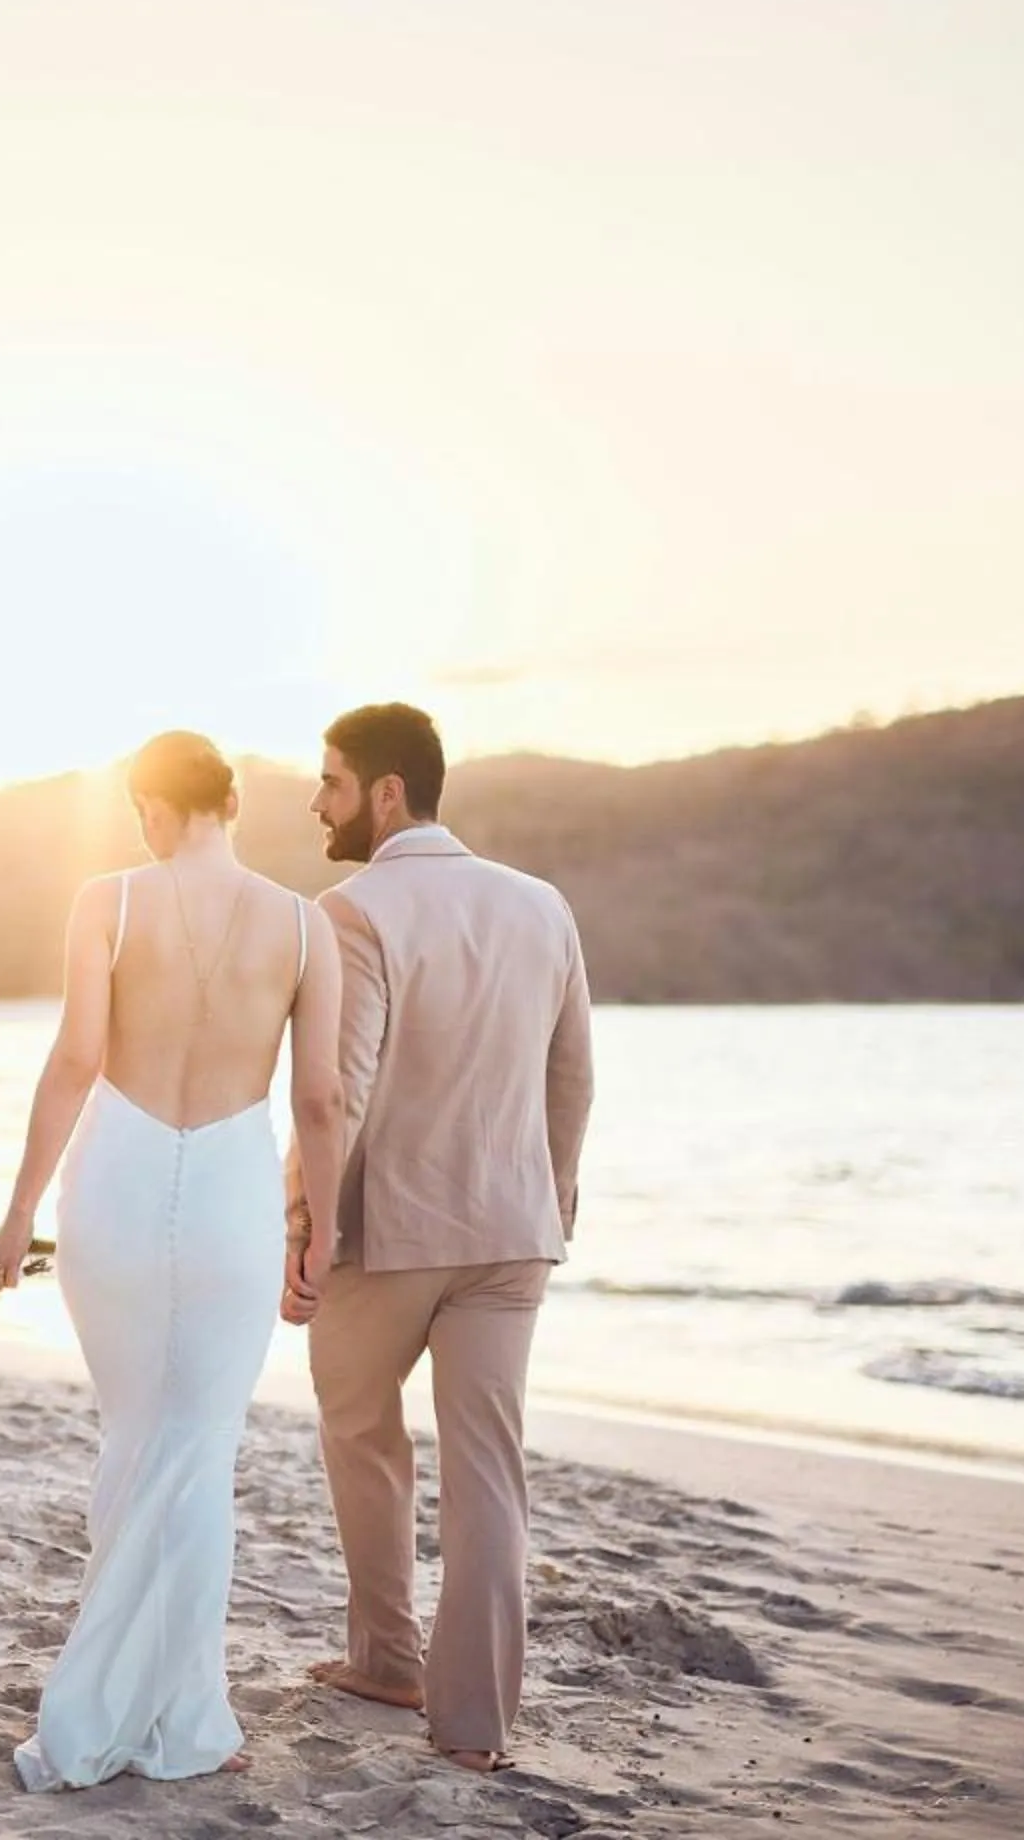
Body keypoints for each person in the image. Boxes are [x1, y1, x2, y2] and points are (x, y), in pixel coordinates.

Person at [0, 729, 346, 1791]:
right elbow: (320, 1098)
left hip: (119, 1182)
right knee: (197, 1450)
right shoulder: (303, 922)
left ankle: (117, 1702)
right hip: (232, 1186)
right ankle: (181, 1714)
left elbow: (75, 1060)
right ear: (232, 800)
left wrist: (16, 1214)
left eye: (142, 808)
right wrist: (322, 1229)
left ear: (153, 804)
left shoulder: (108, 900)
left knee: (140, 1435)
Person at [286, 702, 595, 1775]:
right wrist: (550, 1198)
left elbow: (340, 1086)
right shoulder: (541, 903)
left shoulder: (353, 908)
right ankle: (474, 1725)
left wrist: (308, 1225)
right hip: (515, 1233)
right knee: (489, 1472)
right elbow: (572, 1074)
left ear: (384, 791)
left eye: (328, 782)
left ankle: (385, 1655)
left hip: (394, 1231)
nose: (315, 803)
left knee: (362, 1433)